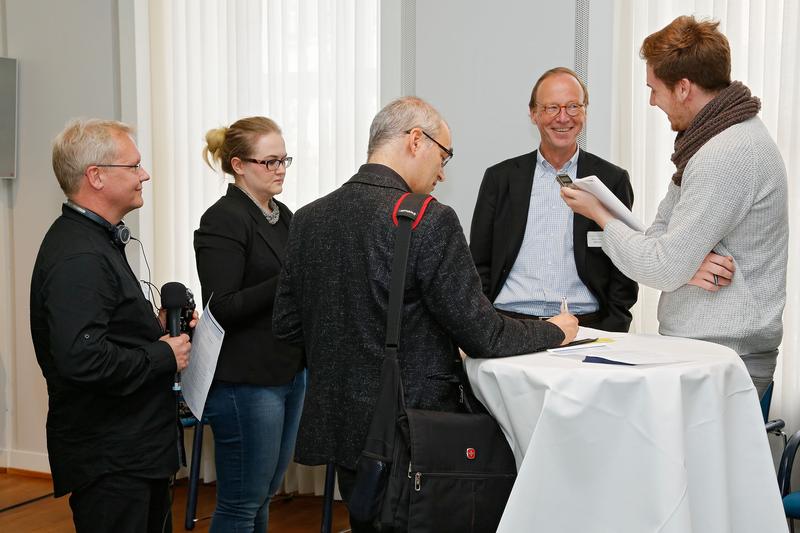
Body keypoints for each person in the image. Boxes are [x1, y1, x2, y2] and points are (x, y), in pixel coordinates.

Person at [273, 96, 578, 530]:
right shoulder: (426, 220)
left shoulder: (308, 219)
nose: (442, 172)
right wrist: (554, 331)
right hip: (411, 427)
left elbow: (286, 327)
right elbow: (483, 336)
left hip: (343, 425)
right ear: (416, 140)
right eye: (444, 154)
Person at [561, 16, 788, 398]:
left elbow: (662, 265)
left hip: (722, 362)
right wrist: (686, 263)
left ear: (683, 88)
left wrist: (599, 213)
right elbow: (660, 241)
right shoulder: (708, 141)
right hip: (708, 355)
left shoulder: (724, 153)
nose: (651, 101)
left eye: (654, 89)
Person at [30, 119, 193, 533]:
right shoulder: (79, 255)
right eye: (133, 166)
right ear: (96, 177)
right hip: (112, 457)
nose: (145, 175)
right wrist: (162, 354)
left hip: (133, 449)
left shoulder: (95, 239)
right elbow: (81, 358)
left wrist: (152, 327)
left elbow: (103, 329)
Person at [194, 116, 306, 532]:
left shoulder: (284, 216)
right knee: (242, 503)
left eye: (284, 160)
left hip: (287, 371)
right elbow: (221, 307)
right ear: (239, 165)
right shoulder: (223, 218)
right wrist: (289, 280)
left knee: (263, 495)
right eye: (270, 161)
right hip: (246, 381)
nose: (280, 170)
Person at [470, 67, 638, 332]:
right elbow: (478, 262)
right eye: (551, 108)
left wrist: (614, 326)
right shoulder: (500, 179)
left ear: (585, 111)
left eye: (573, 106)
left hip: (587, 328)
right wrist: (483, 323)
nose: (563, 118)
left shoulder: (611, 180)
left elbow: (624, 262)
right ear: (533, 113)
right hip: (510, 326)